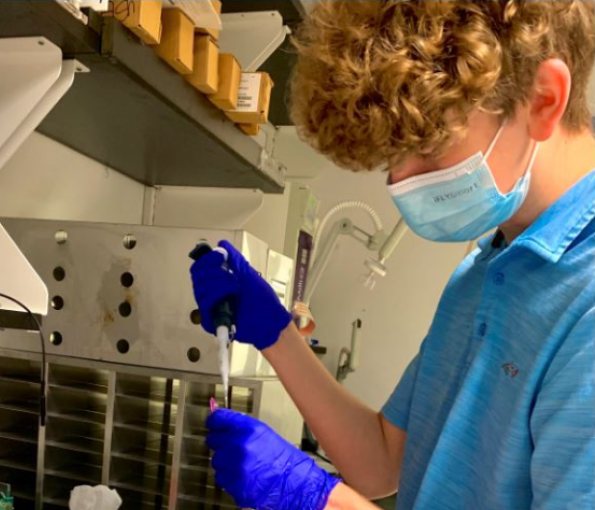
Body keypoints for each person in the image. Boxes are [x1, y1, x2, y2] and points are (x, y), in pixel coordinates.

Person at [190, 1, 595, 509]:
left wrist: (316, 499)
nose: (400, 182)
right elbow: (383, 461)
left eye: (428, 146)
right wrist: (276, 334)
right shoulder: (486, 269)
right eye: (391, 158)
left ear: (542, 99)